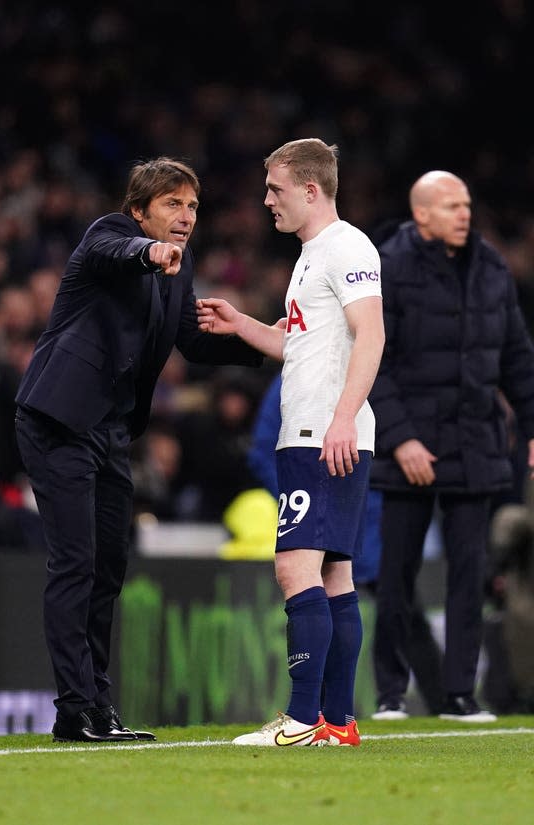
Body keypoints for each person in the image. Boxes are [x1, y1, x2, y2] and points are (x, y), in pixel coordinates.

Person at [14, 157, 263, 744]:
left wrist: (264, 341)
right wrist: (150, 254)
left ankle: (97, 707)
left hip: (110, 431)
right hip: (57, 419)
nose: (185, 217)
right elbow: (115, 254)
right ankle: (75, 709)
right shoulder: (109, 234)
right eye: (173, 204)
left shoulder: (181, 266)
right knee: (75, 563)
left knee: (108, 569)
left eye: (193, 206)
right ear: (139, 210)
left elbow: (193, 343)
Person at [197, 138, 385, 746]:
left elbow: (372, 335)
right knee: (335, 576)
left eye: (276, 189)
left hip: (322, 435)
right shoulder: (311, 257)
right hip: (314, 432)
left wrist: (341, 417)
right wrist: (243, 325)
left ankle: (302, 720)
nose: (266, 200)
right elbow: (302, 347)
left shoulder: (347, 246)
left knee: (294, 568)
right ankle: (336, 722)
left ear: (310, 189)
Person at [368, 170, 534, 722]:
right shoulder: (388, 268)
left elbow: (516, 359)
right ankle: (391, 693)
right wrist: (402, 439)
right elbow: (373, 364)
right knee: (396, 577)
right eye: (450, 205)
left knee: (471, 573)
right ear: (421, 215)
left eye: (466, 203)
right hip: (409, 448)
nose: (464, 213)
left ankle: (461, 694)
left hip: (474, 442)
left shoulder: (490, 268)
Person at [249, 371, 445, 715]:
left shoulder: (346, 368)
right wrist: (300, 502)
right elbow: (263, 451)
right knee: (353, 603)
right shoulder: (304, 370)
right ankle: (332, 713)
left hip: (371, 517)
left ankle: (334, 712)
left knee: (394, 611)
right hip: (346, 512)